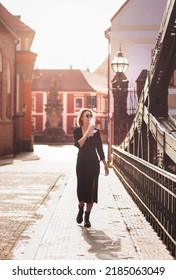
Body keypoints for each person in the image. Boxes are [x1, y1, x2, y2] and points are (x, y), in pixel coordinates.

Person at [73, 108, 109, 228]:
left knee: (92, 191)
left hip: (94, 164)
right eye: (86, 116)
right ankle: (80, 208)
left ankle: (87, 217)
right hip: (82, 163)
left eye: (90, 115)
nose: (89, 117)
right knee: (81, 189)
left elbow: (99, 149)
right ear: (81, 118)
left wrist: (105, 164)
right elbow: (79, 145)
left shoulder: (96, 132)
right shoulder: (77, 131)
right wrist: (87, 131)